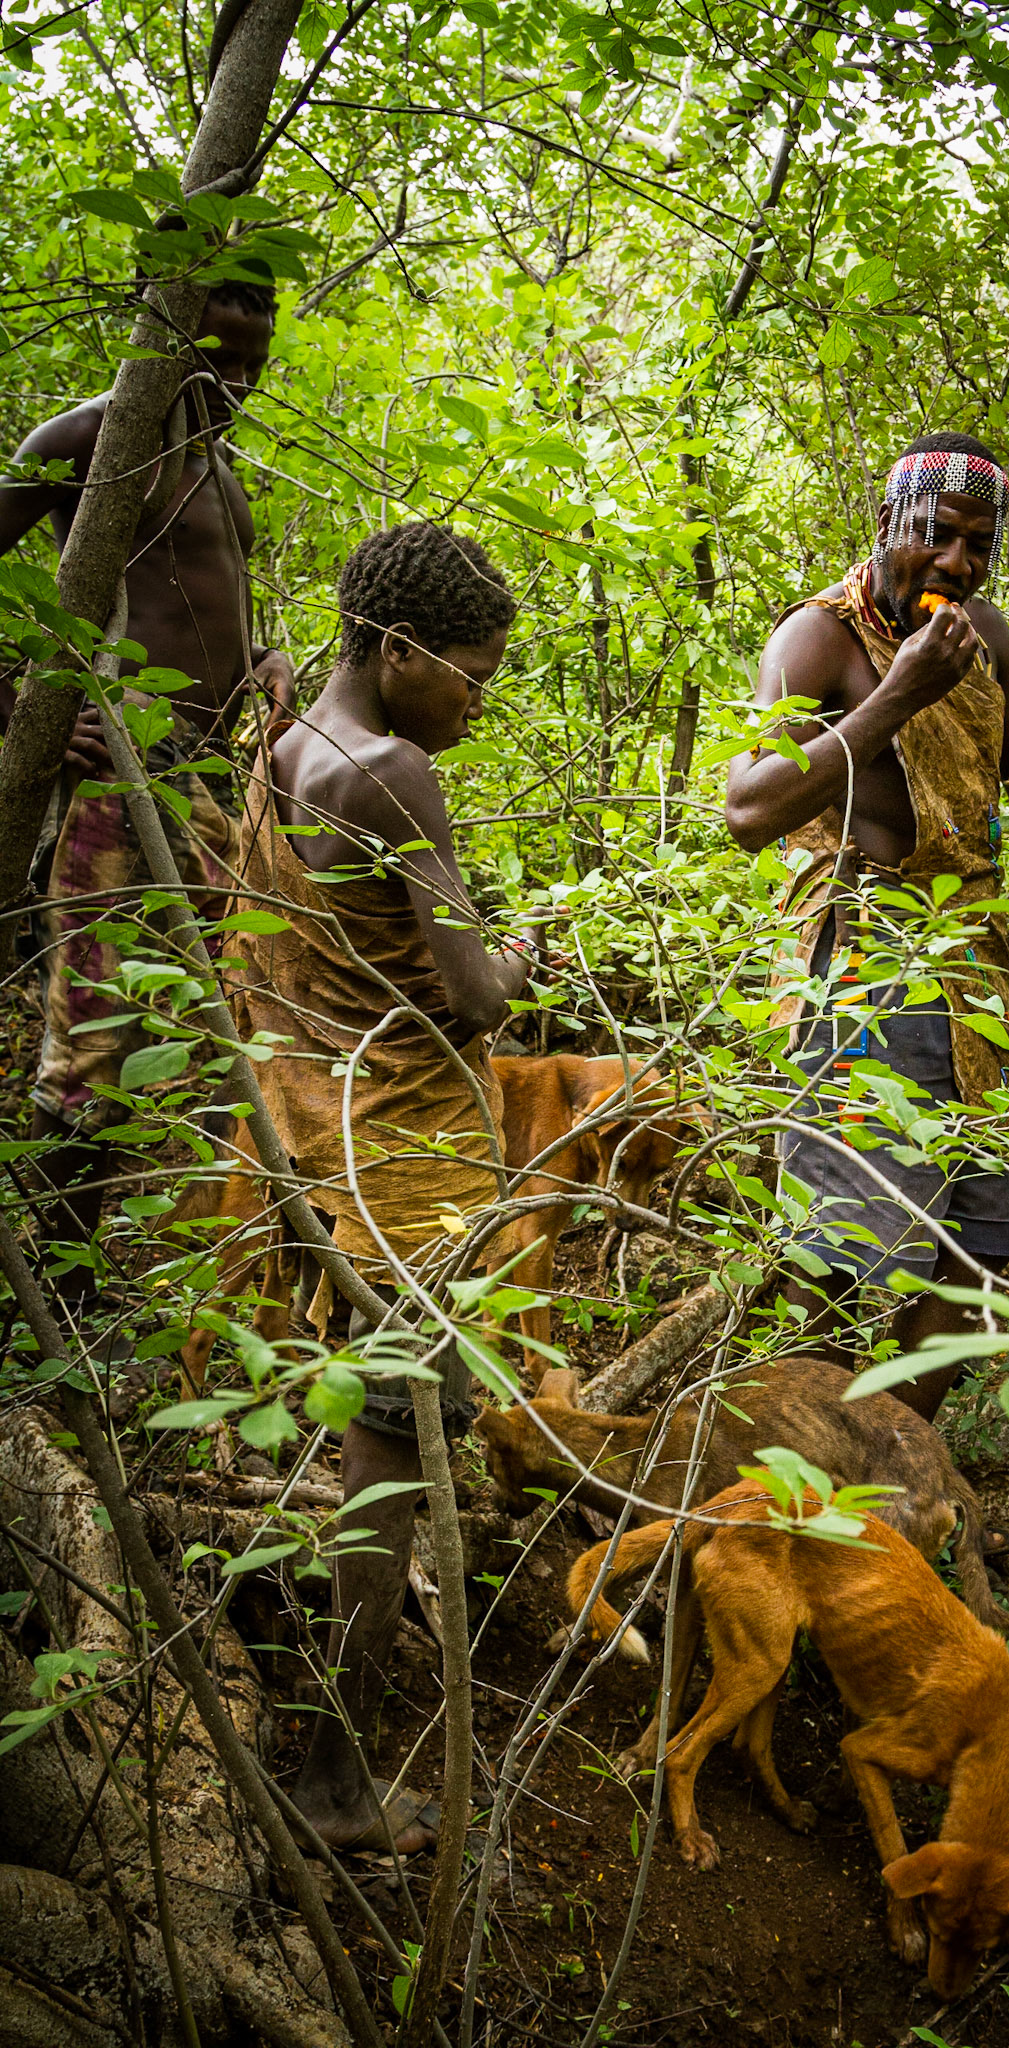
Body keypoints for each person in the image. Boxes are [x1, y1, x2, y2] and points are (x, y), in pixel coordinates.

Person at [232, 519, 535, 1852]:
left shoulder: (290, 739)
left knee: (397, 1416)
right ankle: (335, 1777)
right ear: (402, 652)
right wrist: (533, 947)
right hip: (401, 1158)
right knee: (396, 1436)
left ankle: (331, 1738)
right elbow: (470, 996)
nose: (483, 699)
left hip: (312, 1129)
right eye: (473, 672)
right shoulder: (396, 772)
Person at [725, 432, 1009, 1420]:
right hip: (862, 965)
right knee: (839, 1256)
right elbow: (748, 806)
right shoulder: (816, 639)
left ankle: (890, 1456)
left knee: (984, 1259)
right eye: (937, 537)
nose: (957, 563)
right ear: (886, 528)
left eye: (978, 546)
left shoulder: (982, 634)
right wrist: (901, 688)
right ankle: (792, 1486)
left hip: (969, 972)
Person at [0, 280, 294, 1267]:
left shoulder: (215, 460)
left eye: (257, 359)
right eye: (221, 354)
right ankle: (55, 1305)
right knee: (88, 1052)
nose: (239, 380)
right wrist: (28, 708)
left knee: (221, 1037)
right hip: (124, 785)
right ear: (169, 331)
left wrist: (263, 662)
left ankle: (179, 1285)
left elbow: (201, 607)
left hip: (208, 787)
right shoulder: (86, 439)